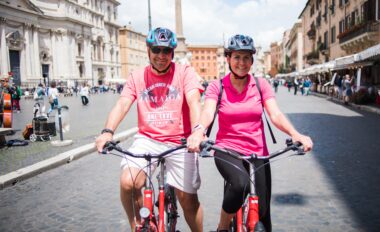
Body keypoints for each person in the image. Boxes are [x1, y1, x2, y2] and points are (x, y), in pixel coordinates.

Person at [186, 34, 313, 232]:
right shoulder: (217, 86)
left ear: (252, 60)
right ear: (228, 59)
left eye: (246, 58)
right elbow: (208, 112)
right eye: (237, 57)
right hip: (227, 151)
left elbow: (275, 113)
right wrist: (198, 132)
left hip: (258, 153)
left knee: (263, 217)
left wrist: (295, 133)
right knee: (239, 185)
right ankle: (222, 226)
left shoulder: (261, 85)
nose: (242, 63)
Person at [95, 27, 204, 232]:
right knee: (128, 183)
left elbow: (194, 100)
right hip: (148, 139)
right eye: (156, 50)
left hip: (181, 141)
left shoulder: (184, 72)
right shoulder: (137, 76)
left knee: (188, 200)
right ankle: (137, 225)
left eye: (166, 51)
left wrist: (197, 131)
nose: (161, 56)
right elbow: (122, 104)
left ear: (172, 53)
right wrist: (107, 131)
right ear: (148, 50)